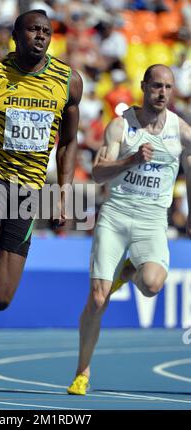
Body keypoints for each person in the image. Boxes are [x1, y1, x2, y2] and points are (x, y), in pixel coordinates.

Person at [0, 9, 82, 402]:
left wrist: (65, 190)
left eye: (46, 31)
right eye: (32, 29)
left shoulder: (69, 82)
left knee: (2, 298)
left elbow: (70, 141)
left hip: (26, 195)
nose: (39, 36)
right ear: (15, 35)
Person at [67, 64, 191, 395]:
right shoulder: (121, 126)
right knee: (97, 299)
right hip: (116, 215)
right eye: (156, 86)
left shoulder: (180, 131)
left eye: (168, 87)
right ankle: (82, 372)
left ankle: (130, 271)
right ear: (143, 86)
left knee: (151, 285)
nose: (162, 93)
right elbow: (97, 172)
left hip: (152, 220)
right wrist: (131, 160)